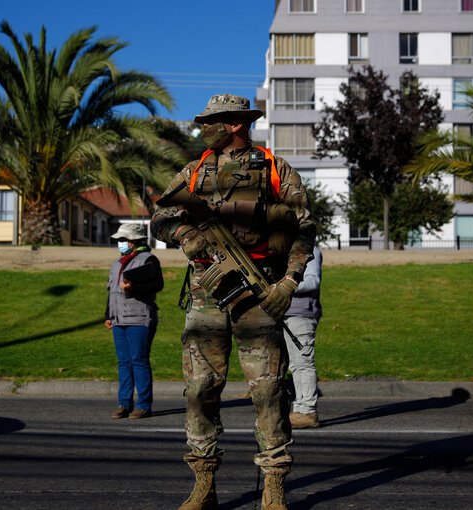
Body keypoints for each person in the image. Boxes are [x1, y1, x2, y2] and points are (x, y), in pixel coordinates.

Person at [151, 93, 315, 510]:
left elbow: (304, 231)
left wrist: (288, 283)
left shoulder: (277, 169)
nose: (203, 127)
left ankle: (273, 482)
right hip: (207, 294)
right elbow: (160, 217)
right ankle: (203, 483)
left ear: (235, 124)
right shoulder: (194, 170)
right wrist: (186, 236)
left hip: (260, 295)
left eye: (212, 121)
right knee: (200, 388)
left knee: (268, 391)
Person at [104, 223, 164, 420]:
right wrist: (108, 315)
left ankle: (144, 405)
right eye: (119, 240)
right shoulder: (117, 263)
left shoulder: (149, 260)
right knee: (124, 362)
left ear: (134, 241)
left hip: (140, 318)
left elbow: (157, 284)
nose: (120, 243)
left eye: (123, 239)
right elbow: (111, 291)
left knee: (139, 361)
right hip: (118, 319)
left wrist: (134, 286)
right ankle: (124, 403)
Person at [284, 245, 323, 429]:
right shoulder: (281, 248)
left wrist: (282, 286)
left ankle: (307, 411)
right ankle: (299, 408)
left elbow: (313, 281)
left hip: (301, 314)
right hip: (282, 313)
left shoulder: (310, 250)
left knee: (303, 363)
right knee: (294, 365)